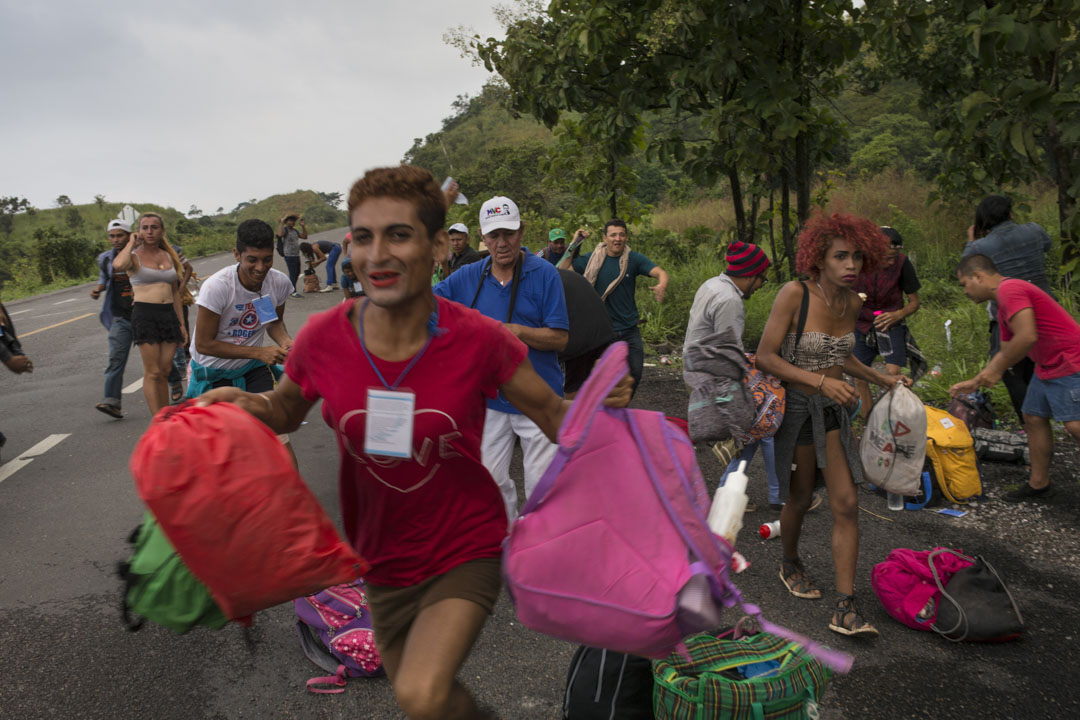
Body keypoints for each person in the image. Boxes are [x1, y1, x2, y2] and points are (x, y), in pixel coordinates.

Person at [198, 165, 630, 720]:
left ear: (437, 248)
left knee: (422, 692)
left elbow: (551, 414)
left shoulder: (477, 337)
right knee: (422, 695)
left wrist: (599, 405)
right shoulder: (327, 337)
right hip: (379, 553)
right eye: (363, 236)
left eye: (399, 234)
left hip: (462, 546)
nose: (378, 253)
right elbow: (282, 410)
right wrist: (242, 404)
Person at [756, 213, 910, 637]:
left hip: (834, 415)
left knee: (845, 503)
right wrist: (821, 382)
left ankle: (845, 607)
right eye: (841, 256)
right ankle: (789, 562)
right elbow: (766, 357)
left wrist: (879, 378)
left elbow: (842, 355)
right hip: (799, 412)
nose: (851, 265)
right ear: (818, 258)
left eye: (858, 257)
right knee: (802, 497)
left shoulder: (852, 301)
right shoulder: (795, 294)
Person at [435, 195, 569, 522]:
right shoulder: (469, 276)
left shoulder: (545, 274)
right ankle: (507, 545)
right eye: (494, 235)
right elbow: (425, 306)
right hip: (492, 400)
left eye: (508, 233)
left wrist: (514, 331)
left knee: (541, 488)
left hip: (539, 398)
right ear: (483, 236)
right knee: (490, 482)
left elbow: (560, 338)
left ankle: (537, 554)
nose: (502, 243)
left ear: (521, 232)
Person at [949, 254, 1080, 502]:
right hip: (1047, 365)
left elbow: (1027, 336)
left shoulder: (1011, 289)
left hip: (1069, 360)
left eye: (964, 284)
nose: (965, 291)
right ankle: (1039, 484)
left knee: (1075, 425)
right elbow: (1007, 349)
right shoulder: (1002, 303)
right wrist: (977, 380)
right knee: (1033, 417)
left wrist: (996, 371)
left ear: (978, 276)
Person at [683, 240, 775, 510]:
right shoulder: (730, 300)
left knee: (754, 428)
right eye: (761, 279)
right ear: (750, 274)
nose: (760, 286)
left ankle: (762, 490)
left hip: (695, 363)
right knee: (761, 424)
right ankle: (772, 494)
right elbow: (727, 352)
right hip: (711, 373)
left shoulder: (712, 284)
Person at [963, 195, 1054, 423]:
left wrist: (971, 241)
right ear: (1011, 213)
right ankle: (1044, 419)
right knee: (1037, 367)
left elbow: (967, 269)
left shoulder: (980, 246)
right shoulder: (1034, 230)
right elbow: (1047, 245)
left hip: (1007, 314)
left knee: (1011, 370)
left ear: (983, 220)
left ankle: (1030, 422)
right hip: (1044, 309)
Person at [187, 219, 294, 397]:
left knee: (265, 417)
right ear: (237, 254)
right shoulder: (218, 287)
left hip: (252, 368)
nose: (261, 268)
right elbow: (204, 344)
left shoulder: (278, 282)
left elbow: (273, 322)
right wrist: (259, 352)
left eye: (267, 259)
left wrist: (286, 342)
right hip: (213, 372)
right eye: (252, 260)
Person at [562, 219, 668, 396]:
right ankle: (601, 413)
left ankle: (620, 411)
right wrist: (575, 243)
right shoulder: (591, 259)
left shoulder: (633, 259)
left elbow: (660, 272)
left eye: (621, 234)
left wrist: (662, 285)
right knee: (601, 379)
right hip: (602, 332)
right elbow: (564, 269)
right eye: (613, 235)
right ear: (605, 238)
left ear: (626, 237)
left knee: (634, 373)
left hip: (629, 329)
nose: (617, 238)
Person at [113, 212, 187, 418]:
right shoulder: (134, 257)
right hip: (145, 314)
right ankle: (159, 421)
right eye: (144, 228)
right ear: (139, 231)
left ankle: (165, 414)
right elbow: (118, 265)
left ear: (162, 231)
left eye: (154, 227)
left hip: (168, 316)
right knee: (152, 372)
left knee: (164, 371)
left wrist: (181, 324)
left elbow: (174, 292)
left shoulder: (169, 255)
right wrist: (130, 243)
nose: (149, 231)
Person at [852, 227, 921, 420]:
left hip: (890, 323)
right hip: (862, 323)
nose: (891, 262)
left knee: (893, 372)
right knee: (860, 375)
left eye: (894, 257)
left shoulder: (902, 264)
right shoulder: (857, 261)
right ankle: (869, 420)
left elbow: (915, 302)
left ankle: (891, 421)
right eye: (887, 258)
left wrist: (898, 314)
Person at [90, 220, 135, 418]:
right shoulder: (106, 259)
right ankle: (112, 401)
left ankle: (175, 381)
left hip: (144, 315)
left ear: (129, 236)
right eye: (112, 236)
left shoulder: (139, 255)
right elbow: (104, 278)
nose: (116, 240)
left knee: (157, 360)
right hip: (120, 316)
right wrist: (99, 289)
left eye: (120, 235)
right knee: (115, 358)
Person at [557, 268, 614, 398]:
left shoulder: (541, 281)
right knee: (599, 384)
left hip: (579, 338)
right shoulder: (564, 275)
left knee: (572, 388)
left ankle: (576, 415)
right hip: (604, 331)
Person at [277, 214, 307, 298]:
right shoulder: (285, 230)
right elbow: (279, 235)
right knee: (293, 273)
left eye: (293, 221)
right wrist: (280, 223)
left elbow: (304, 236)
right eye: (290, 221)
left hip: (296, 255)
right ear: (286, 222)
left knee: (297, 272)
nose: (292, 222)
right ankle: (293, 291)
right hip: (289, 255)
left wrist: (303, 227)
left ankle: (290, 289)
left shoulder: (295, 231)